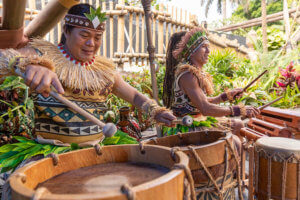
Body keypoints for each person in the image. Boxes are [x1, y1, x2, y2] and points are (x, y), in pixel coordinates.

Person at [0, 4, 176, 198]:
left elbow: (134, 95)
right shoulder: (43, 54)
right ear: (66, 31)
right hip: (51, 152)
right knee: (20, 192)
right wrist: (26, 64)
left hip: (98, 149)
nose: (91, 43)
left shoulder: (104, 70)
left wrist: (156, 110)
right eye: (84, 35)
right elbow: (4, 56)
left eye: (97, 37)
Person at [162, 27, 260, 139]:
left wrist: (226, 96)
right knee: (238, 125)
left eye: (208, 47)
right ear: (192, 51)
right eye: (204, 47)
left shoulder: (194, 73)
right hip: (188, 126)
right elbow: (205, 108)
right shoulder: (188, 75)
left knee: (238, 125)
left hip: (196, 119)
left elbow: (200, 103)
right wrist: (237, 110)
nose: (208, 51)